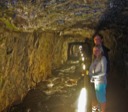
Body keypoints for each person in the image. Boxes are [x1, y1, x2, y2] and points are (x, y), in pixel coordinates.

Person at [89, 45, 107, 112]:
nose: (95, 52)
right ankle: (100, 110)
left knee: (102, 98)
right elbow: (91, 70)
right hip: (96, 82)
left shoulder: (103, 58)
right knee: (99, 97)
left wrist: (94, 76)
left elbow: (104, 72)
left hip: (101, 82)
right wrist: (91, 76)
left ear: (100, 51)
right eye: (94, 50)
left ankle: (102, 111)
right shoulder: (95, 60)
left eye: (97, 50)